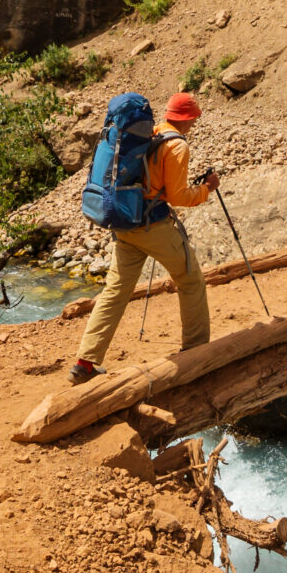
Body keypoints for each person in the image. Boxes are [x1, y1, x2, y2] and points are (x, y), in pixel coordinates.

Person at [69, 91, 220, 384]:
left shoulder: (152, 131)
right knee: (190, 280)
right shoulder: (177, 146)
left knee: (115, 291)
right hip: (153, 226)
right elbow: (177, 196)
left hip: (125, 222)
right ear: (189, 118)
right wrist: (206, 190)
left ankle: (84, 363)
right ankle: (197, 351)